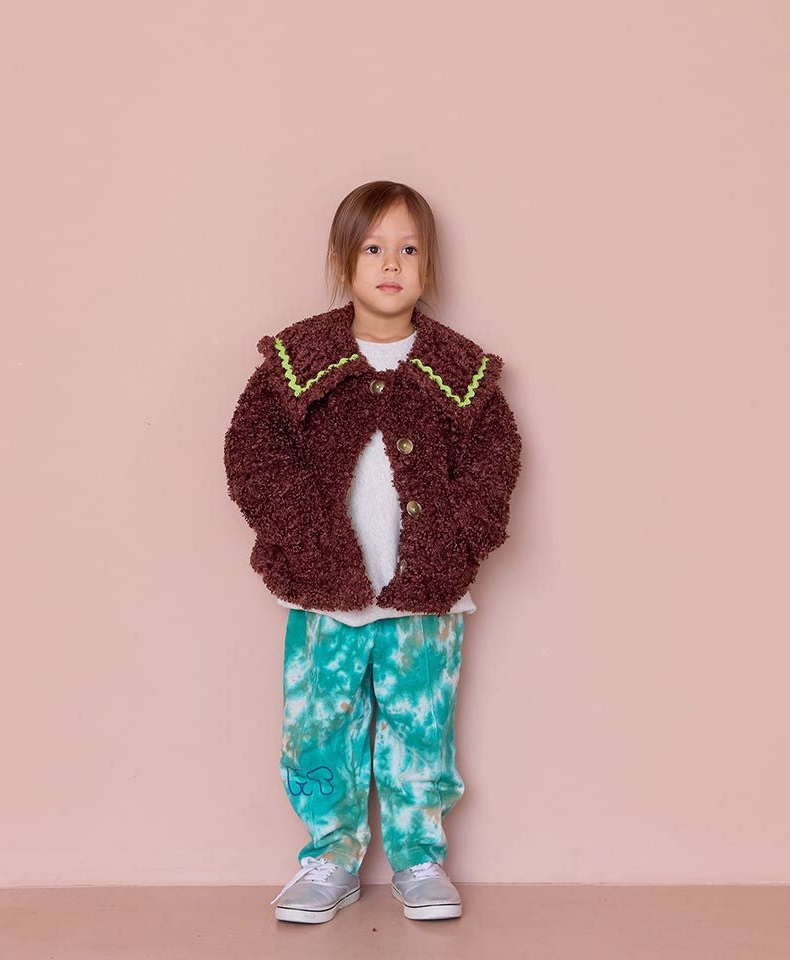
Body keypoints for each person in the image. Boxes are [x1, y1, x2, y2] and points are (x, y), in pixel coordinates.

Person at [223, 180, 523, 923]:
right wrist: (301, 534)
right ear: (342, 262)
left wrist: (458, 538)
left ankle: (419, 858)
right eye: (373, 248)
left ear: (429, 266)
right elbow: (252, 452)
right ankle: (330, 857)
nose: (392, 263)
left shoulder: (461, 373)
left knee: (422, 727)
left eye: (409, 249)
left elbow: (495, 462)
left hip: (425, 592)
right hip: (322, 591)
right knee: (318, 726)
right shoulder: (298, 362)